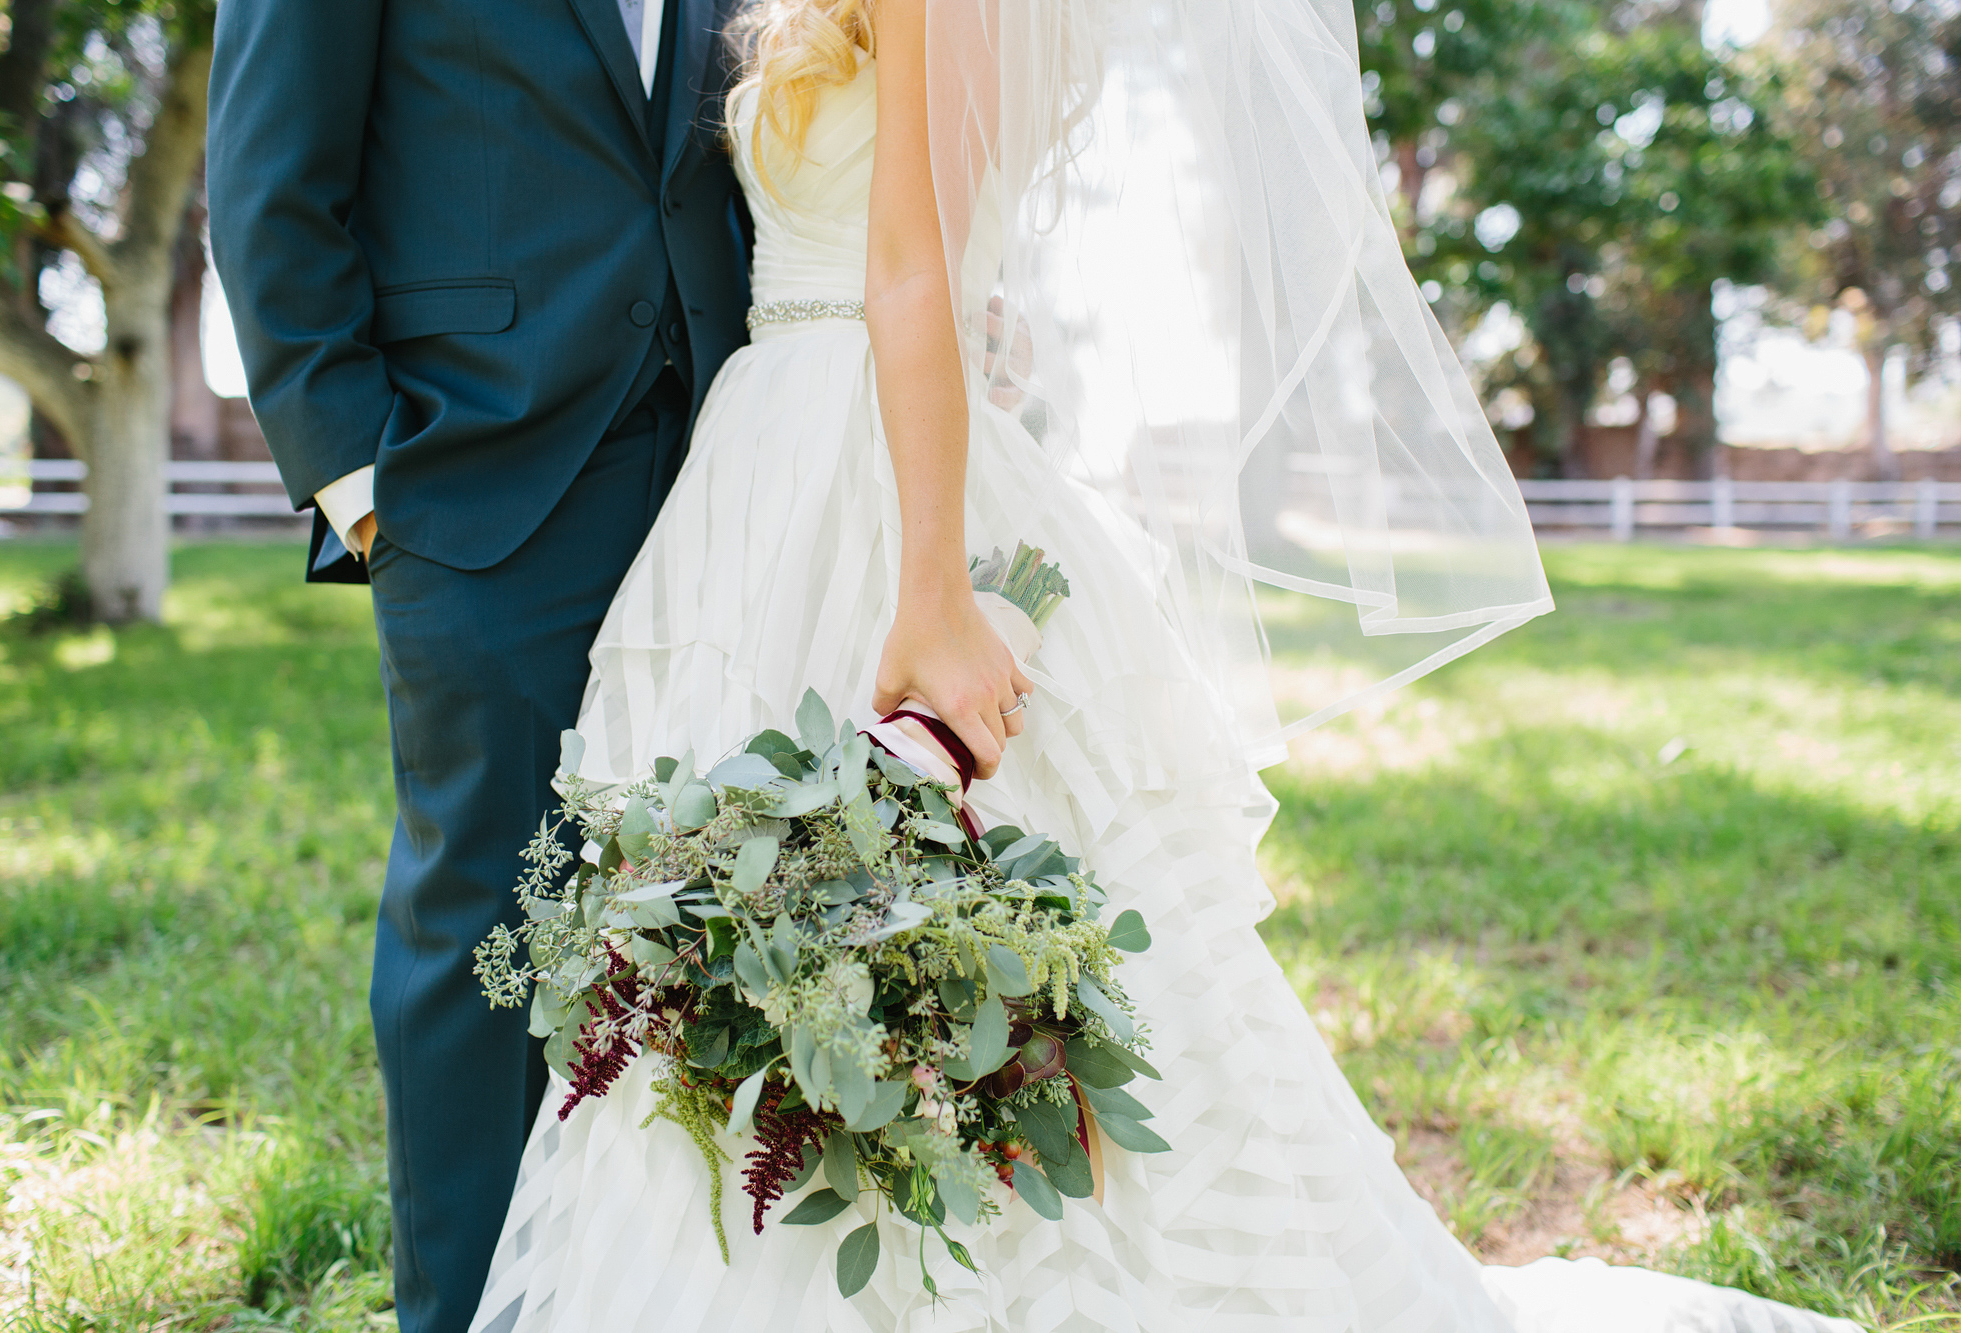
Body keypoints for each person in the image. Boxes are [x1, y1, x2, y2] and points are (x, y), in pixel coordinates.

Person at [460, 1, 1867, 1331]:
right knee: (750, 947)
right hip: (777, 467)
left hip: (869, 489)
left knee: (898, 927)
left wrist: (935, 592)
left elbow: (918, 269)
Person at [204, 3, 752, 1330]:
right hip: (481, 481)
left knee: (716, 915)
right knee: (489, 926)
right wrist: (360, 483)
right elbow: (269, 180)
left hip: (727, 466)